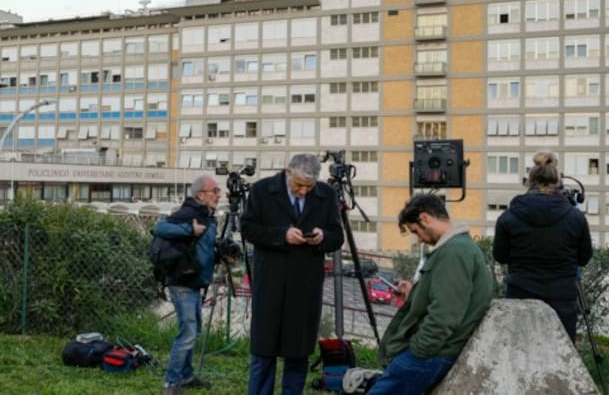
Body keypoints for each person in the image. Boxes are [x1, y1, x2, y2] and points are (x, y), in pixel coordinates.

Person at [368, 194, 494, 395]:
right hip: (434, 352)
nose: (419, 239)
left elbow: (445, 314)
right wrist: (415, 293)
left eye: (416, 231)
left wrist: (418, 351)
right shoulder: (456, 248)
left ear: (425, 218)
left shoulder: (454, 252)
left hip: (433, 353)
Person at [241, 153, 344, 395]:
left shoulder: (326, 194)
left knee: (298, 350)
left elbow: (336, 236)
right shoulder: (261, 190)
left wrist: (322, 237)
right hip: (271, 282)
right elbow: (248, 228)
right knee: (264, 350)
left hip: (305, 285)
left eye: (309, 187)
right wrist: (281, 235)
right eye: (298, 185)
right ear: (288, 172)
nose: (303, 192)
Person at [492, 151, 592, 342]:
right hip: (562, 298)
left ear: (528, 183)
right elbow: (584, 258)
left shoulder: (508, 218)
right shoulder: (576, 217)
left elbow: (501, 256)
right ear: (558, 183)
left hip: (520, 297)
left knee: (520, 352)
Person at [155, 174, 221, 395]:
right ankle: (171, 384)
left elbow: (202, 248)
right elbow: (159, 228)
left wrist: (221, 254)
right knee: (188, 332)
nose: (218, 195)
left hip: (194, 280)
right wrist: (188, 230)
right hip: (182, 280)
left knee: (194, 329)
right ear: (201, 194)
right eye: (215, 191)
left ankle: (186, 376)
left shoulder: (207, 215)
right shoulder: (188, 213)